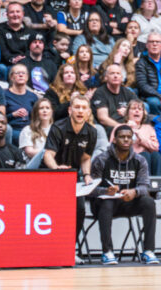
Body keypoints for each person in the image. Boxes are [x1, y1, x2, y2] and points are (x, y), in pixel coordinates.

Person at [90, 124, 160, 265]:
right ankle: (107, 252)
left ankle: (148, 251)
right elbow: (90, 189)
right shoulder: (101, 160)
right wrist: (105, 191)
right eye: (122, 137)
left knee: (149, 202)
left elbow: (144, 186)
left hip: (129, 202)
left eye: (129, 137)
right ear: (114, 140)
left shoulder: (140, 160)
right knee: (107, 202)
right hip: (104, 205)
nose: (126, 140)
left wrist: (134, 192)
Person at [43, 93, 97, 257]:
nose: (80, 111)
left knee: (79, 210)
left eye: (84, 108)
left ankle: (70, 249)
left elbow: (86, 158)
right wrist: (56, 168)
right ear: (70, 110)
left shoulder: (91, 132)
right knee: (53, 212)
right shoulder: (58, 128)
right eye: (77, 107)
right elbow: (48, 155)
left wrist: (87, 174)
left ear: (88, 112)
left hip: (73, 177)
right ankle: (48, 248)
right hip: (52, 175)